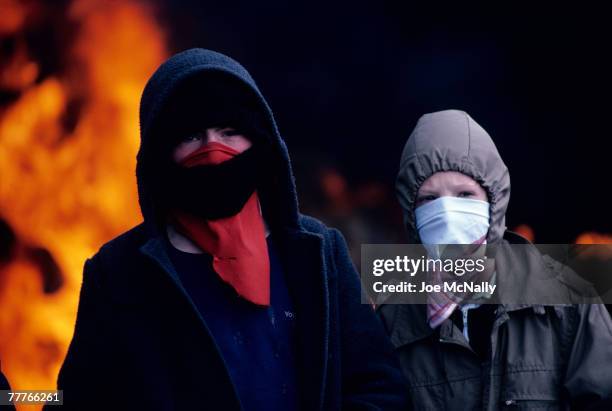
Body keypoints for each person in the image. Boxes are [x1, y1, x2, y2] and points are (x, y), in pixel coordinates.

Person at [50, 48, 407, 410]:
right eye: (190, 136)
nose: (212, 149)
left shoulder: (319, 254)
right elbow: (75, 401)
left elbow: (380, 387)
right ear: (160, 155)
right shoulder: (117, 272)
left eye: (229, 131)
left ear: (260, 141)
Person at [378, 109, 612, 409]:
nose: (448, 214)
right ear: (411, 214)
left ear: (494, 202)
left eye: (464, 195)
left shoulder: (569, 304)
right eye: (428, 199)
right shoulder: (389, 320)